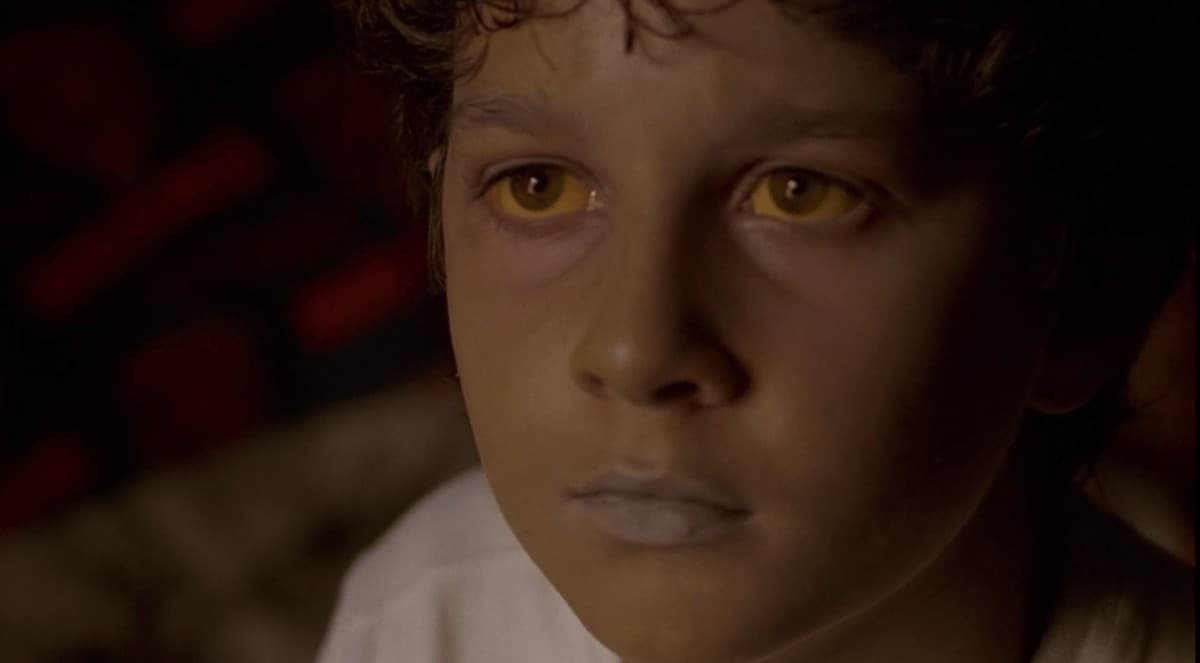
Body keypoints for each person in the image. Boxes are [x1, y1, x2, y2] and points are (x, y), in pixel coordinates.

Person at [317, 1, 1195, 661]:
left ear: (1086, 296)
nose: (635, 350)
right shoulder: (425, 619)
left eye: (800, 194)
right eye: (537, 185)